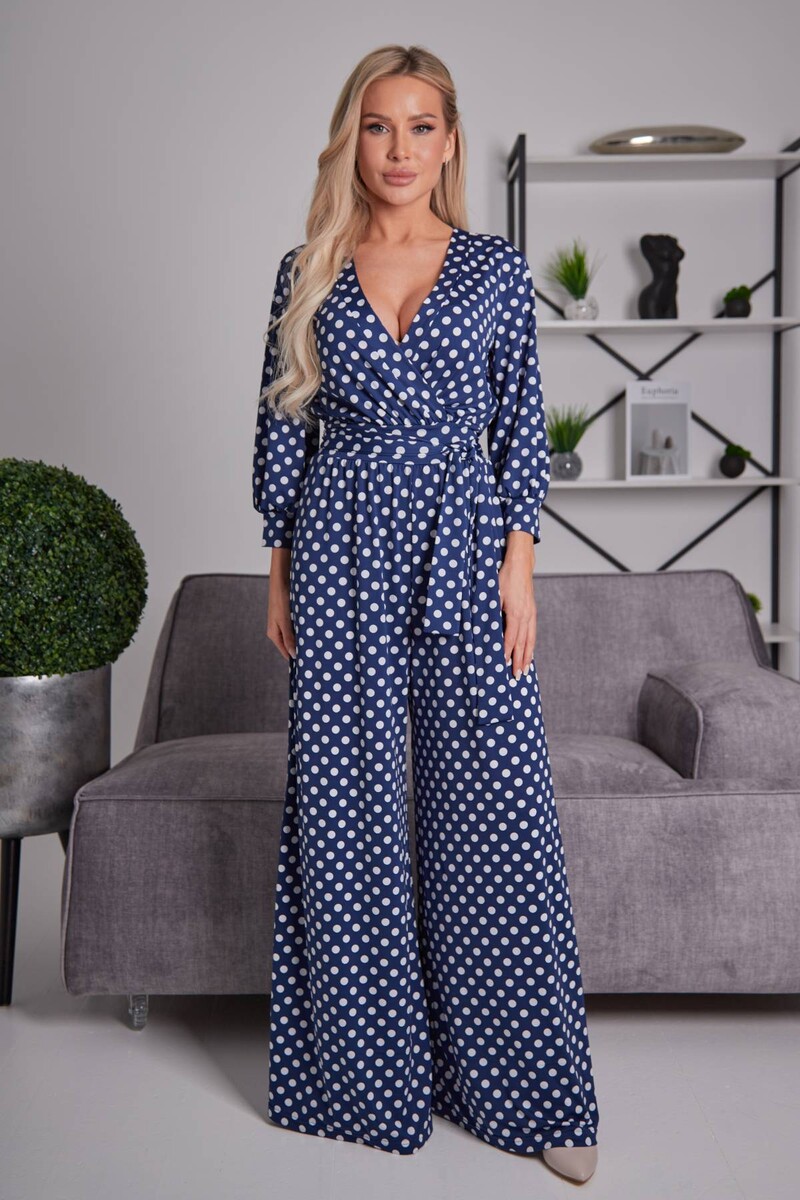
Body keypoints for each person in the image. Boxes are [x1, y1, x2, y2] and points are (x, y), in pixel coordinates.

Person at [251, 44, 601, 1184]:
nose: (397, 150)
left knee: (494, 813)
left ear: (449, 141)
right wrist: (279, 569)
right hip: (339, 546)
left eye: (419, 127)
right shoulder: (307, 269)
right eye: (376, 126)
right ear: (350, 140)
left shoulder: (494, 271)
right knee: (343, 810)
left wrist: (518, 563)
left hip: (464, 545)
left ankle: (534, 1093)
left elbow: (519, 422)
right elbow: (283, 428)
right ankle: (363, 1081)